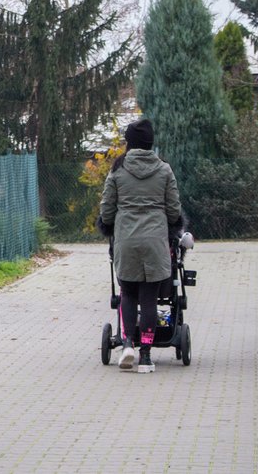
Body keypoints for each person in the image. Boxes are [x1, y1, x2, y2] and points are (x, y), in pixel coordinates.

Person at [98, 118, 182, 374]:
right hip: (156, 240)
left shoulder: (117, 169)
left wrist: (110, 224)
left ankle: (127, 345)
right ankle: (146, 356)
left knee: (127, 294)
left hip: (126, 240)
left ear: (129, 143)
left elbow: (107, 209)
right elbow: (174, 209)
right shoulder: (164, 169)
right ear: (150, 143)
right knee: (149, 298)